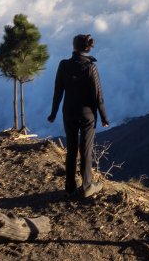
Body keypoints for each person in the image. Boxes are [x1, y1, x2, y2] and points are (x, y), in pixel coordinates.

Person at [48, 33, 110, 199]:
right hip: (87, 115)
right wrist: (104, 117)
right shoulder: (91, 66)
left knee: (71, 149)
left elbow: (57, 91)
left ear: (74, 47)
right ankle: (87, 186)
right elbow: (98, 95)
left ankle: (69, 187)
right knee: (86, 149)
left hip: (68, 112)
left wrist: (53, 113)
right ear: (88, 48)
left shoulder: (63, 65)